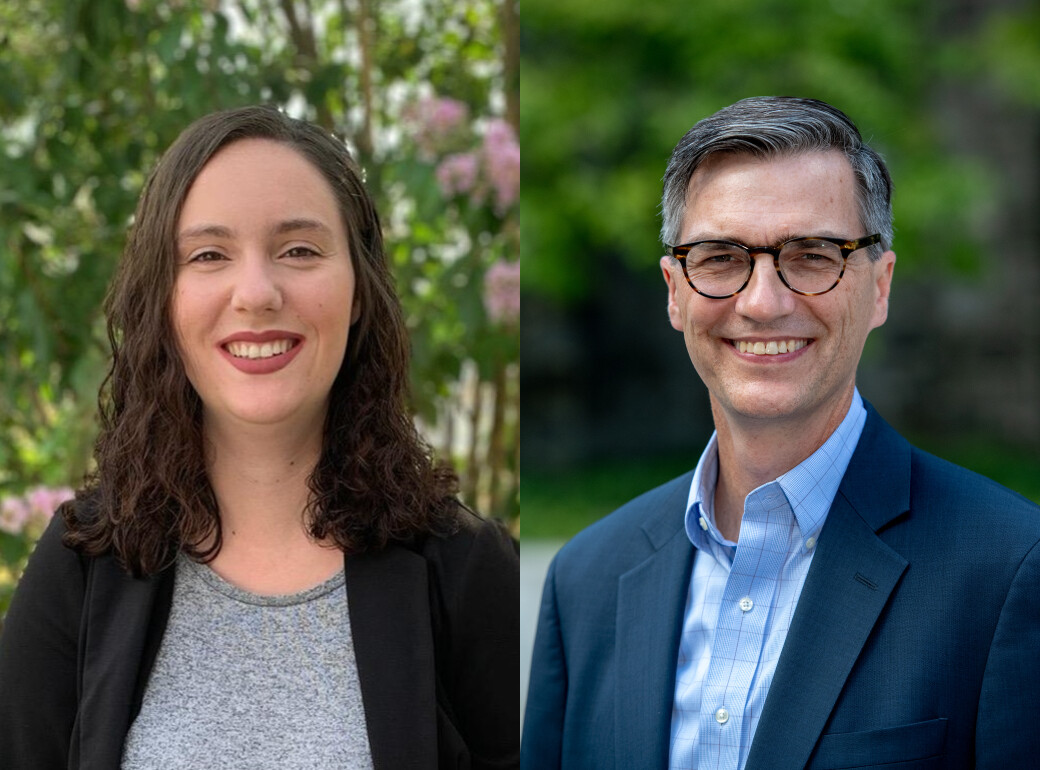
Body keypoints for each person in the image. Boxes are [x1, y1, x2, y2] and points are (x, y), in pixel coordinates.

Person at [521, 96, 1040, 769]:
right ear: (674, 291)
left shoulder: (1009, 571)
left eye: (814, 254)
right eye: (719, 258)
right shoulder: (585, 582)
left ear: (879, 287)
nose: (763, 303)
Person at [0, 105, 519, 770]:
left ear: (358, 290)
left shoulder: (466, 573)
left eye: (299, 250)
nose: (256, 292)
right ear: (163, 296)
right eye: (209, 254)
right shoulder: (82, 566)